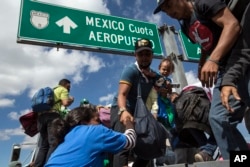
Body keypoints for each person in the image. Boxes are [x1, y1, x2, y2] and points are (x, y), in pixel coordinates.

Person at [154, 0, 250, 161]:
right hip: (224, 69)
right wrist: (202, 62)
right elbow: (205, 44)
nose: (169, 12)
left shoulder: (203, 3)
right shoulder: (185, 26)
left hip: (241, 57)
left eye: (169, 5)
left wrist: (213, 60)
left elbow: (232, 25)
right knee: (218, 118)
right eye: (164, 10)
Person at [110, 38, 161, 167]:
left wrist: (158, 80)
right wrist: (123, 111)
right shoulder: (131, 70)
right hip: (122, 107)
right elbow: (122, 94)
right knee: (124, 144)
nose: (144, 57)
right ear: (135, 55)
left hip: (139, 113)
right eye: (140, 54)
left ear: (152, 56)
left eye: (147, 54)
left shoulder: (154, 75)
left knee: (149, 146)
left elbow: (166, 85)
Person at [45, 106, 136, 167]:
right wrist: (128, 120)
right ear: (84, 122)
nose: (101, 124)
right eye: (97, 120)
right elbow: (130, 140)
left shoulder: (66, 137)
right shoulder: (94, 131)